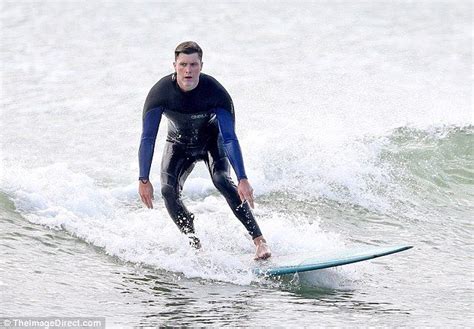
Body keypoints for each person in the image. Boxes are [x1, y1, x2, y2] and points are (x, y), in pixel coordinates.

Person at [138, 41, 271, 260]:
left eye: (193, 64)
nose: (188, 70)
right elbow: (147, 138)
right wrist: (143, 179)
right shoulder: (160, 93)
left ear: (201, 65)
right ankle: (194, 243)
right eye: (183, 65)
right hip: (178, 144)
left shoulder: (215, 92)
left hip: (211, 141)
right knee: (168, 191)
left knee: (221, 180)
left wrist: (243, 178)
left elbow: (229, 137)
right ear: (174, 65)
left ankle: (260, 241)